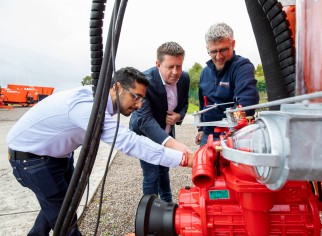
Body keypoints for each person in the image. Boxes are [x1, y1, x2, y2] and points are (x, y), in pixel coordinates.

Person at [7, 67, 193, 236]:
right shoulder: (88, 107)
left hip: (56, 156)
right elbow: (129, 142)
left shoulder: (99, 98)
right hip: (32, 160)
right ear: (117, 87)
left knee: (60, 204)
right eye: (136, 97)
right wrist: (184, 159)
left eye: (142, 99)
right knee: (66, 222)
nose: (139, 105)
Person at [129, 41, 190, 203]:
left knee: (164, 170)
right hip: (145, 134)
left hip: (167, 131)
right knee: (151, 174)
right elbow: (144, 119)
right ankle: (150, 214)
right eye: (170, 67)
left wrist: (179, 116)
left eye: (179, 66)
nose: (176, 72)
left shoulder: (184, 78)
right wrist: (172, 144)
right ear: (158, 64)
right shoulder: (143, 82)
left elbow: (185, 103)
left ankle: (168, 205)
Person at [195, 22, 260, 146]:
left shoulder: (242, 67)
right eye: (213, 51)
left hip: (234, 137)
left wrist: (234, 126)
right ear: (207, 49)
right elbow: (203, 103)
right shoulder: (205, 72)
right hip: (208, 136)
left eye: (224, 50)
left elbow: (247, 102)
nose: (218, 56)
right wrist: (201, 129)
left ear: (233, 44)